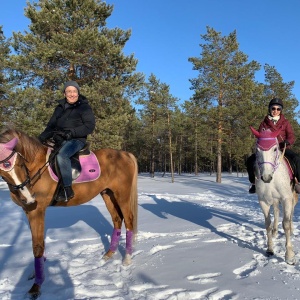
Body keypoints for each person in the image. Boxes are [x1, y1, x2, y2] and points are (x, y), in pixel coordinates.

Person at [38, 81, 95, 201]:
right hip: (59, 140)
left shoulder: (84, 107)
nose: (72, 94)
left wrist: (72, 133)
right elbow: (51, 126)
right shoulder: (59, 108)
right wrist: (42, 137)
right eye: (69, 91)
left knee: (62, 156)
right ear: (64, 93)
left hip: (76, 140)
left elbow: (89, 126)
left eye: (74, 91)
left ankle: (67, 189)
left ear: (78, 93)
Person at [246, 97, 300, 194]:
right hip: (268, 150)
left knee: (297, 158)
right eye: (273, 108)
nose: (275, 111)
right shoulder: (264, 123)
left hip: (283, 148)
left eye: (278, 109)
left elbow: (291, 136)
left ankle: (297, 182)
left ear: (281, 110)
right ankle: (254, 183)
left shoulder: (285, 122)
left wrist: (287, 142)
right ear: (270, 109)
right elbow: (260, 136)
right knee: (250, 160)